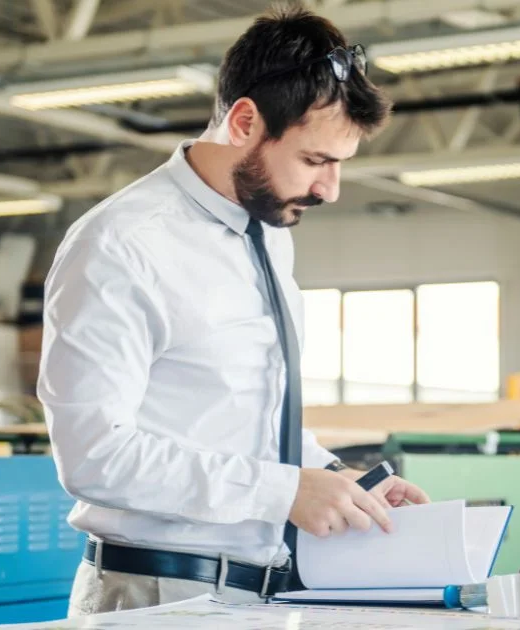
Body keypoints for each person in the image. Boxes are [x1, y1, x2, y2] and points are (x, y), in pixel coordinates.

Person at [37, 5, 430, 616]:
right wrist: (287, 491)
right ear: (245, 121)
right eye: (315, 160)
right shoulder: (121, 243)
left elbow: (246, 409)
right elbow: (94, 456)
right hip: (155, 595)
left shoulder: (269, 231)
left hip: (255, 592)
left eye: (339, 164)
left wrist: (335, 479)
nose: (330, 190)